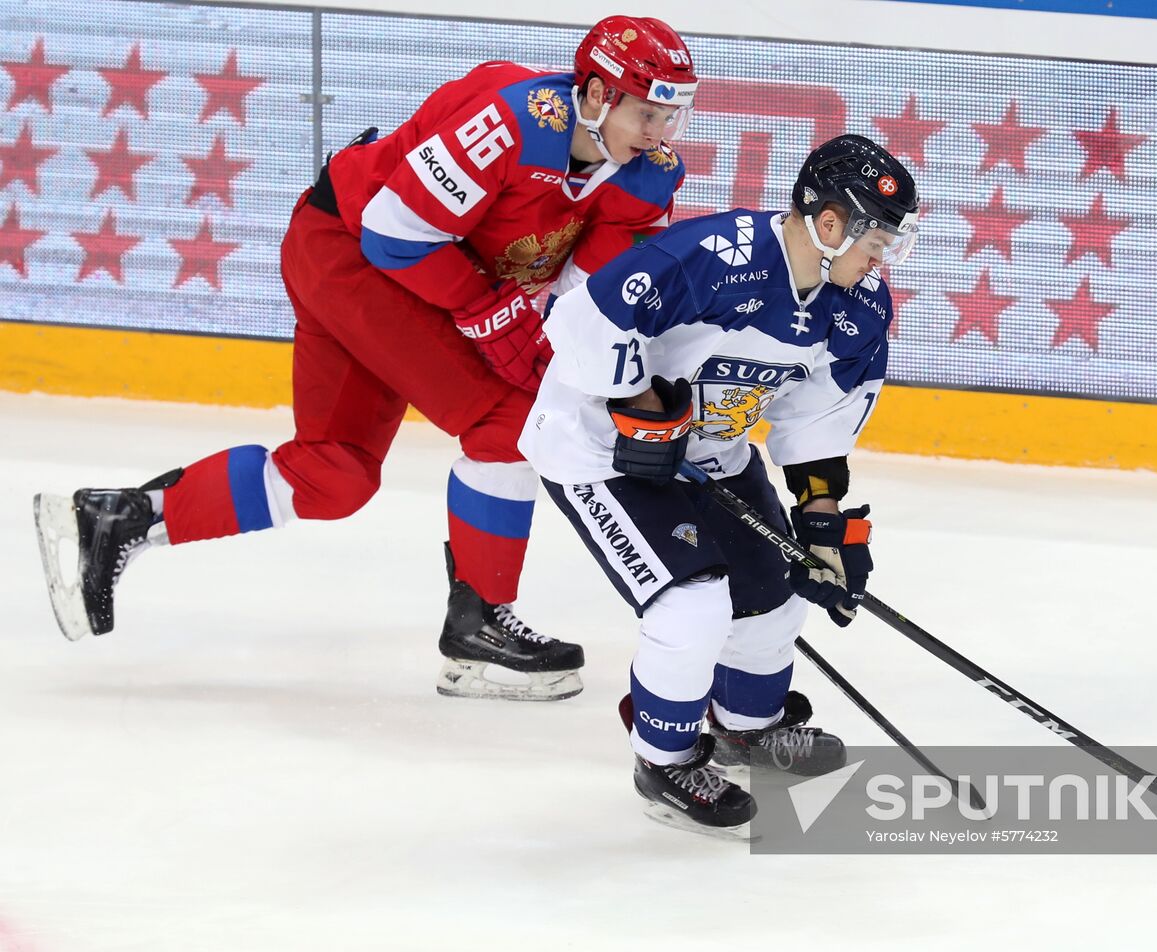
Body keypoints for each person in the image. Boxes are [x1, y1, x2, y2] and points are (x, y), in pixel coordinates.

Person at [32, 16, 700, 702]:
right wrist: (488, 311)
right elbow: (394, 234)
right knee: (509, 420)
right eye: (647, 112)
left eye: (672, 116)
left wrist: (602, 371)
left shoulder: (650, 177)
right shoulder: (514, 121)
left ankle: (121, 518)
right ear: (595, 93)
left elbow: (590, 292)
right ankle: (477, 630)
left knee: (334, 477)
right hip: (351, 254)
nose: (660, 133)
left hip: (403, 276)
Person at [518, 134, 920, 834]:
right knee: (692, 609)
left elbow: (815, 424)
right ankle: (664, 760)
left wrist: (824, 530)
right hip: (601, 450)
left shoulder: (858, 309)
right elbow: (583, 320)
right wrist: (642, 409)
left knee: (775, 600)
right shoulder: (715, 257)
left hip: (714, 452)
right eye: (875, 241)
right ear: (829, 223)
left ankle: (746, 730)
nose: (880, 259)